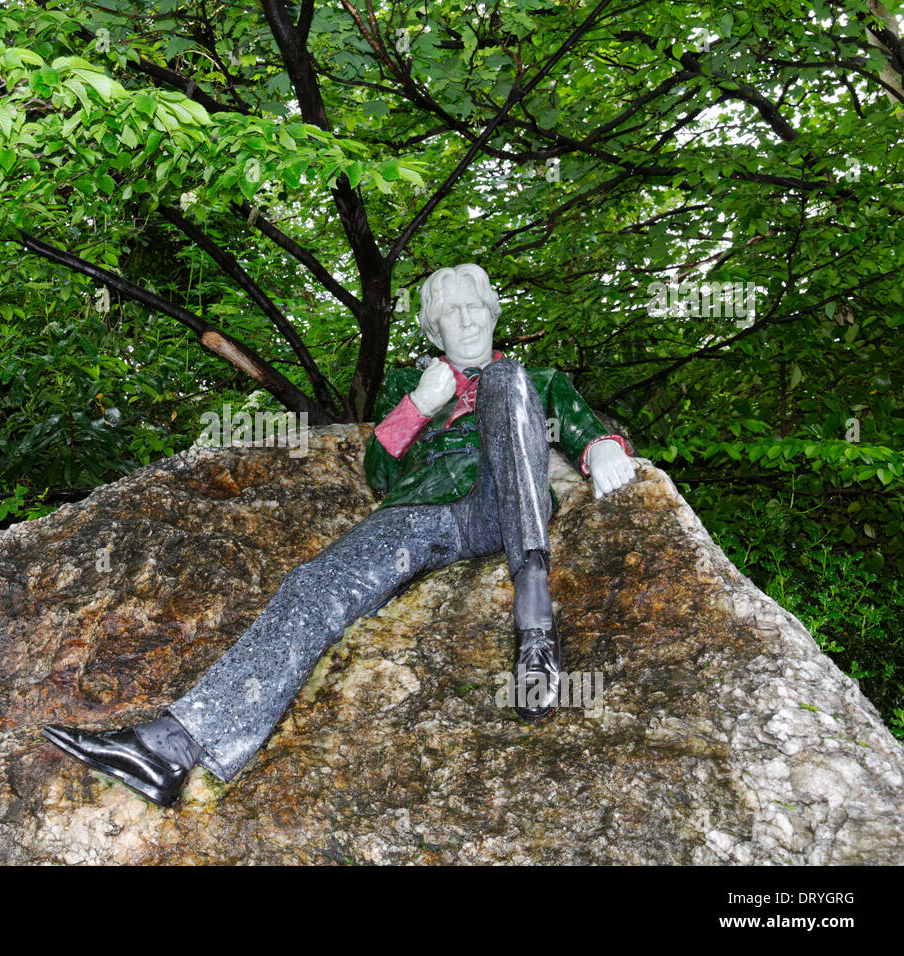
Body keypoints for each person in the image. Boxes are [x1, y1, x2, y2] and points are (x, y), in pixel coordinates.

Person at [43, 263, 636, 807]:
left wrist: (602, 446)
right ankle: (169, 748)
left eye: (475, 305)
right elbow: (380, 473)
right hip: (422, 513)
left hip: (500, 508)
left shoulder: (539, 378)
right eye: (450, 312)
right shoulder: (413, 382)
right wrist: (419, 403)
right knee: (313, 583)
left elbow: (578, 427)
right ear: (433, 331)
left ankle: (535, 627)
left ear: (492, 310)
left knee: (506, 382)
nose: (467, 319)